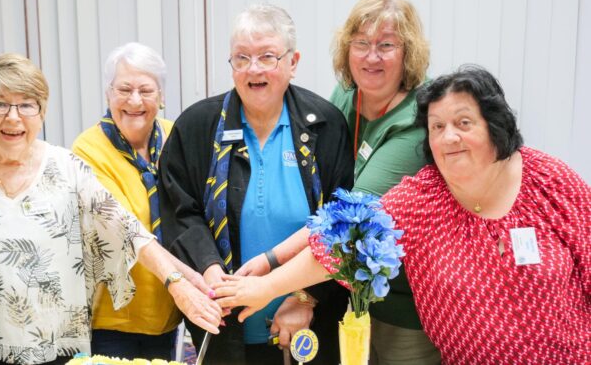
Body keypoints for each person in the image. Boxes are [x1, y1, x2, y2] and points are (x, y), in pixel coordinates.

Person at [213, 66, 591, 364]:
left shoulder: (550, 182)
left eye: (463, 123)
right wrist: (267, 287)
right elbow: (340, 243)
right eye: (436, 127)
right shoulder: (422, 198)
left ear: (495, 125)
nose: (448, 138)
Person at [0, 53, 221, 365]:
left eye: (26, 105)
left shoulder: (66, 168)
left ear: (42, 112)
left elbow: (127, 230)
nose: (13, 117)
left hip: (54, 348)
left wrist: (180, 281)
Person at [235, 0, 438, 364]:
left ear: (408, 53)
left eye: (386, 45)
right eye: (360, 43)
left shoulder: (416, 122)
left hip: (404, 306)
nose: (371, 56)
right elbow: (324, 187)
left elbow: (343, 220)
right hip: (348, 296)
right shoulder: (348, 94)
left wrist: (269, 270)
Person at [158, 4, 353, 364]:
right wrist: (208, 266)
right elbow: (180, 210)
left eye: (267, 57)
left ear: (293, 62)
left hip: (305, 327)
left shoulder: (325, 124)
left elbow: (341, 222)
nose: (253, 69)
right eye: (241, 58)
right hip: (224, 325)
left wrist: (305, 296)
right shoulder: (198, 127)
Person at [72, 43, 181, 360]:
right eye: (124, 89)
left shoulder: (176, 137)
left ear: (161, 96)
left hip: (169, 311)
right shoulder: (87, 149)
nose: (135, 101)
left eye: (146, 90)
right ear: (108, 93)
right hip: (113, 318)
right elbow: (123, 231)